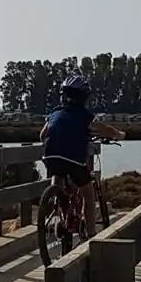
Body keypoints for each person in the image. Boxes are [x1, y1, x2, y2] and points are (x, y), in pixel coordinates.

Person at [39, 75, 125, 236]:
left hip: (50, 158)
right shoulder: (84, 115)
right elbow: (105, 129)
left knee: (58, 172)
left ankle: (58, 205)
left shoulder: (54, 112)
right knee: (88, 192)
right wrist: (119, 135)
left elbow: (42, 136)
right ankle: (92, 236)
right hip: (73, 161)